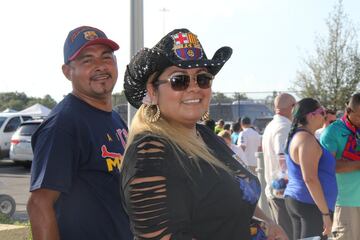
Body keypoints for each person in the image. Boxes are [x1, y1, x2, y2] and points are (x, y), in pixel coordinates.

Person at [121, 28, 287, 240]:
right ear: (153, 92)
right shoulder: (150, 154)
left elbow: (231, 202)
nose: (193, 88)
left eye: (202, 79)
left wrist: (268, 224)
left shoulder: (205, 136)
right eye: (179, 80)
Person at [27, 26, 133, 240]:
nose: (100, 66)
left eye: (106, 57)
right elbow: (39, 204)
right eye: (87, 60)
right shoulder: (63, 124)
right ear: (68, 72)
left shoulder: (115, 119)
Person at [284, 98, 338, 240]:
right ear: (310, 115)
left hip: (303, 201)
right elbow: (310, 178)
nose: (324, 115)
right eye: (322, 112)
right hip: (309, 205)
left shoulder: (301, 136)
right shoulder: (306, 140)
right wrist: (325, 214)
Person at [320, 93, 360, 240]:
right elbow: (330, 166)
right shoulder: (332, 132)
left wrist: (348, 163)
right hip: (346, 202)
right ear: (348, 111)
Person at [262, 93, 296, 238]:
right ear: (292, 107)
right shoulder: (283, 127)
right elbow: (282, 159)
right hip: (282, 193)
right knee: (286, 234)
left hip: (277, 190)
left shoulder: (272, 125)